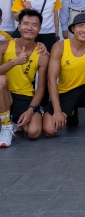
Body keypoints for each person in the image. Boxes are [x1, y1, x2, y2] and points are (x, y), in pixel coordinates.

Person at [42, 14, 85, 138]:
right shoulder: (60, 47)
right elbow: (51, 79)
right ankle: (71, 112)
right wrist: (57, 110)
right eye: (80, 26)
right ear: (73, 28)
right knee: (49, 130)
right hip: (66, 93)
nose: (84, 30)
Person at [0, 10, 49, 147]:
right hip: (3, 93)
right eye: (26, 23)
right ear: (19, 26)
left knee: (34, 132)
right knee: (1, 80)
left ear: (39, 29)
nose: (29, 27)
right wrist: (14, 62)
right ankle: (6, 126)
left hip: (25, 96)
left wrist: (30, 110)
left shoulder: (42, 54)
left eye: (34, 25)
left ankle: (12, 119)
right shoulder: (4, 46)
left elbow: (41, 88)